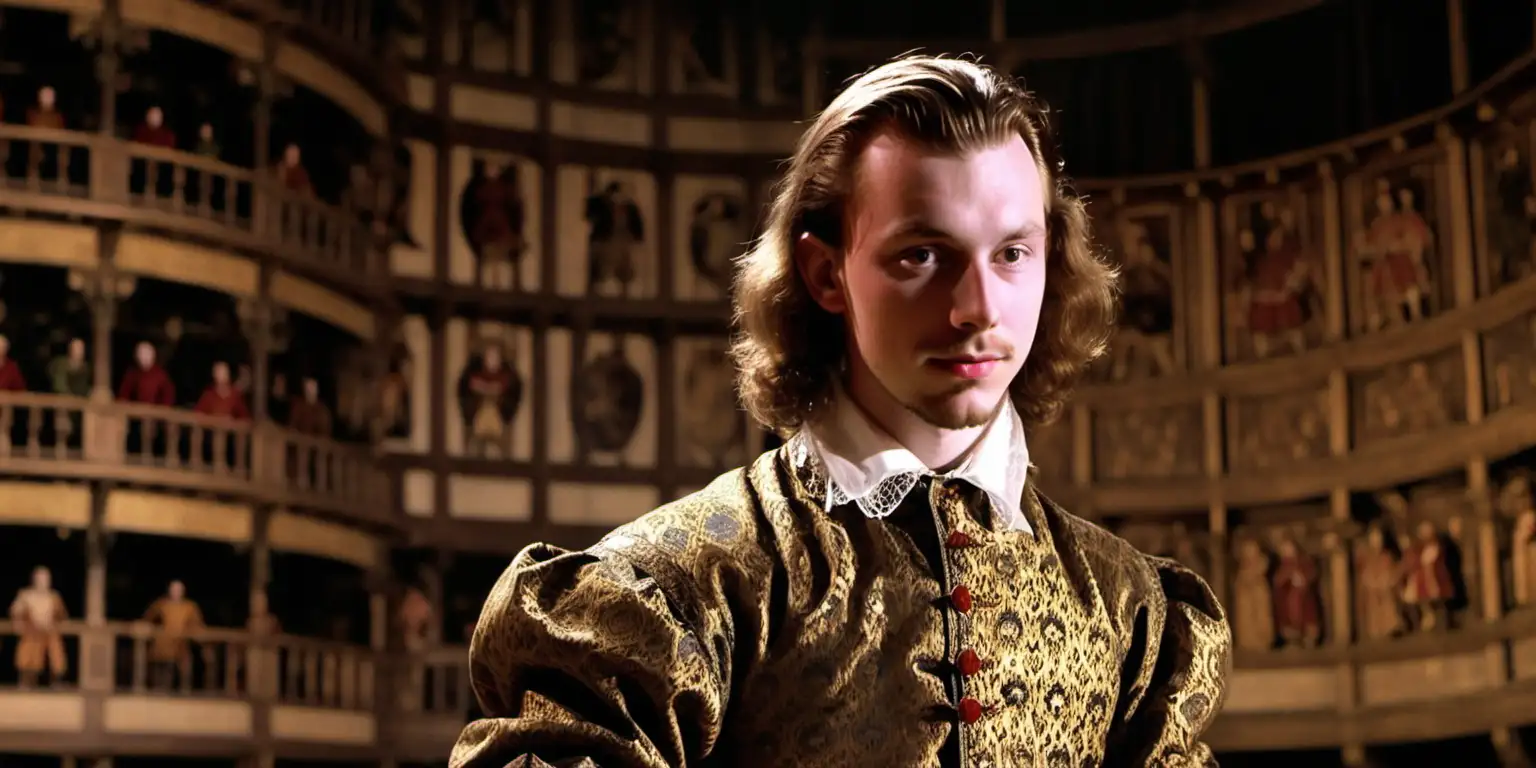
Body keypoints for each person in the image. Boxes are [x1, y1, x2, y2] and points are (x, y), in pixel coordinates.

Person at [452, 56, 1230, 768]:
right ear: (827, 274)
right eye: (922, 255)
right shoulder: (685, 589)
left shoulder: (1130, 615)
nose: (978, 309)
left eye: (1011, 253)